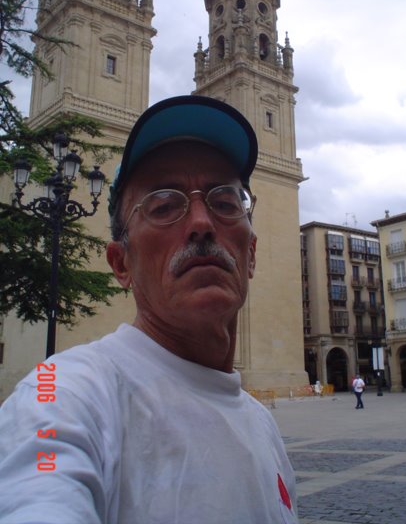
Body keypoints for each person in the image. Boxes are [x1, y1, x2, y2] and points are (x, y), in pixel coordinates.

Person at [0, 95, 298, 524]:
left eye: (226, 201)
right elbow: (39, 483)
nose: (201, 222)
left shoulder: (261, 425)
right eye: (164, 205)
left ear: (251, 254)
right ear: (121, 263)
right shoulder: (58, 393)